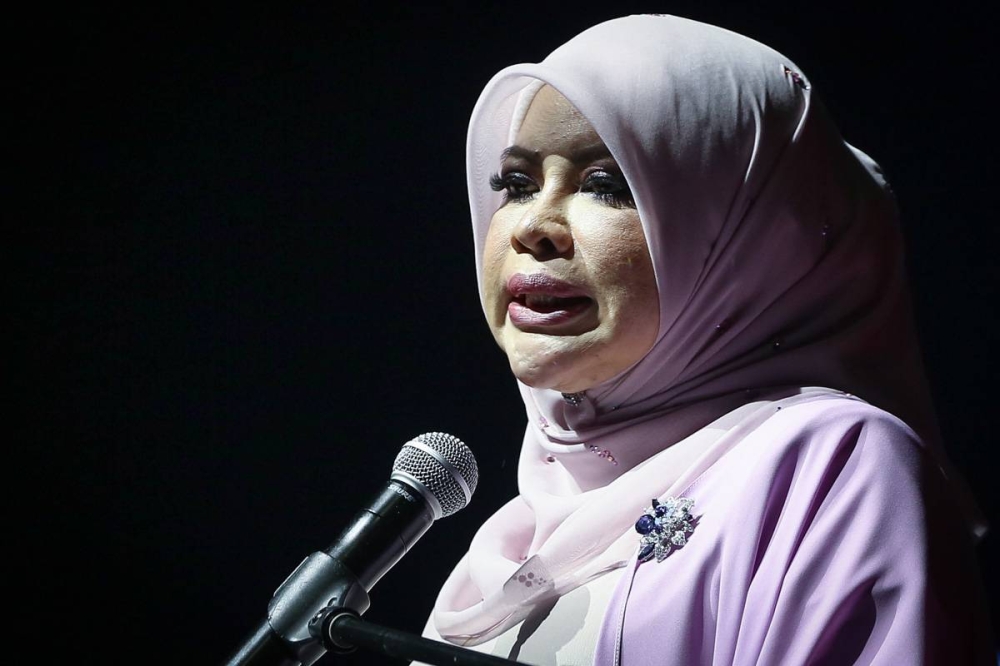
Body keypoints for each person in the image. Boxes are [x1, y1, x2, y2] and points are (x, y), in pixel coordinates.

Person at [419, 14, 993, 665]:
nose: (534, 227)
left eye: (607, 185)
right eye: (517, 185)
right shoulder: (506, 544)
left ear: (746, 236)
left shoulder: (826, 463)